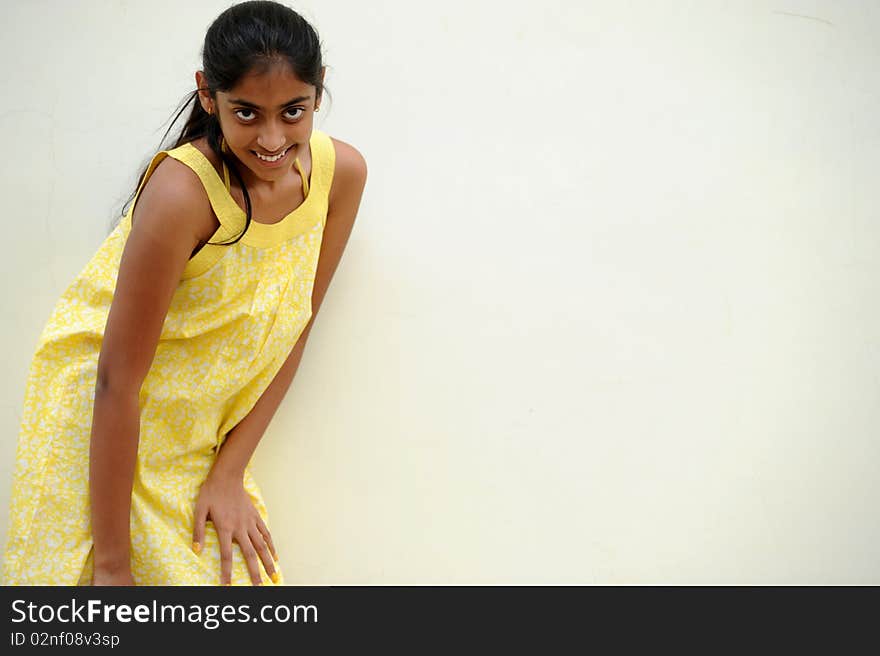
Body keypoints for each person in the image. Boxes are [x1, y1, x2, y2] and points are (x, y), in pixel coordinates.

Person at [1, 0, 367, 586]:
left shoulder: (340, 176)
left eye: (293, 112)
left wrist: (230, 472)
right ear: (207, 94)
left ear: (318, 94)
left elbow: (295, 328)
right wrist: (113, 568)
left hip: (193, 429)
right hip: (106, 418)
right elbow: (114, 381)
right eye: (246, 112)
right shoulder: (181, 194)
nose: (272, 138)